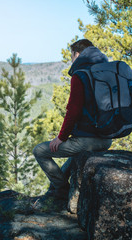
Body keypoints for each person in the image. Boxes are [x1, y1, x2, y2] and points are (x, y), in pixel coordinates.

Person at [33, 39, 112, 200]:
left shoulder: (80, 75)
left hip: (87, 140)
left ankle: (61, 190)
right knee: (74, 156)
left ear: (77, 54)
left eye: (71, 55)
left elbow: (73, 110)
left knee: (40, 151)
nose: (71, 59)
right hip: (106, 139)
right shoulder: (105, 73)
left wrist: (61, 137)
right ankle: (54, 190)